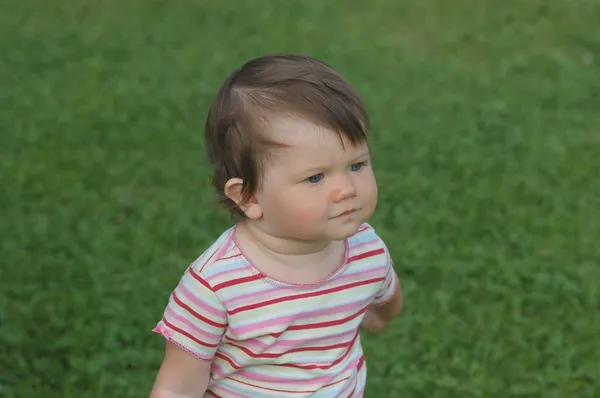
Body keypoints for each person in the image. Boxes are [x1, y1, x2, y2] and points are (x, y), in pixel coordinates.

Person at [150, 53, 403, 398]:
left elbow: (387, 295)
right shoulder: (216, 286)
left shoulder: (365, 251)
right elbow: (178, 386)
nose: (346, 189)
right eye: (315, 177)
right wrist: (381, 316)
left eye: (357, 165)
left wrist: (378, 317)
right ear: (250, 197)